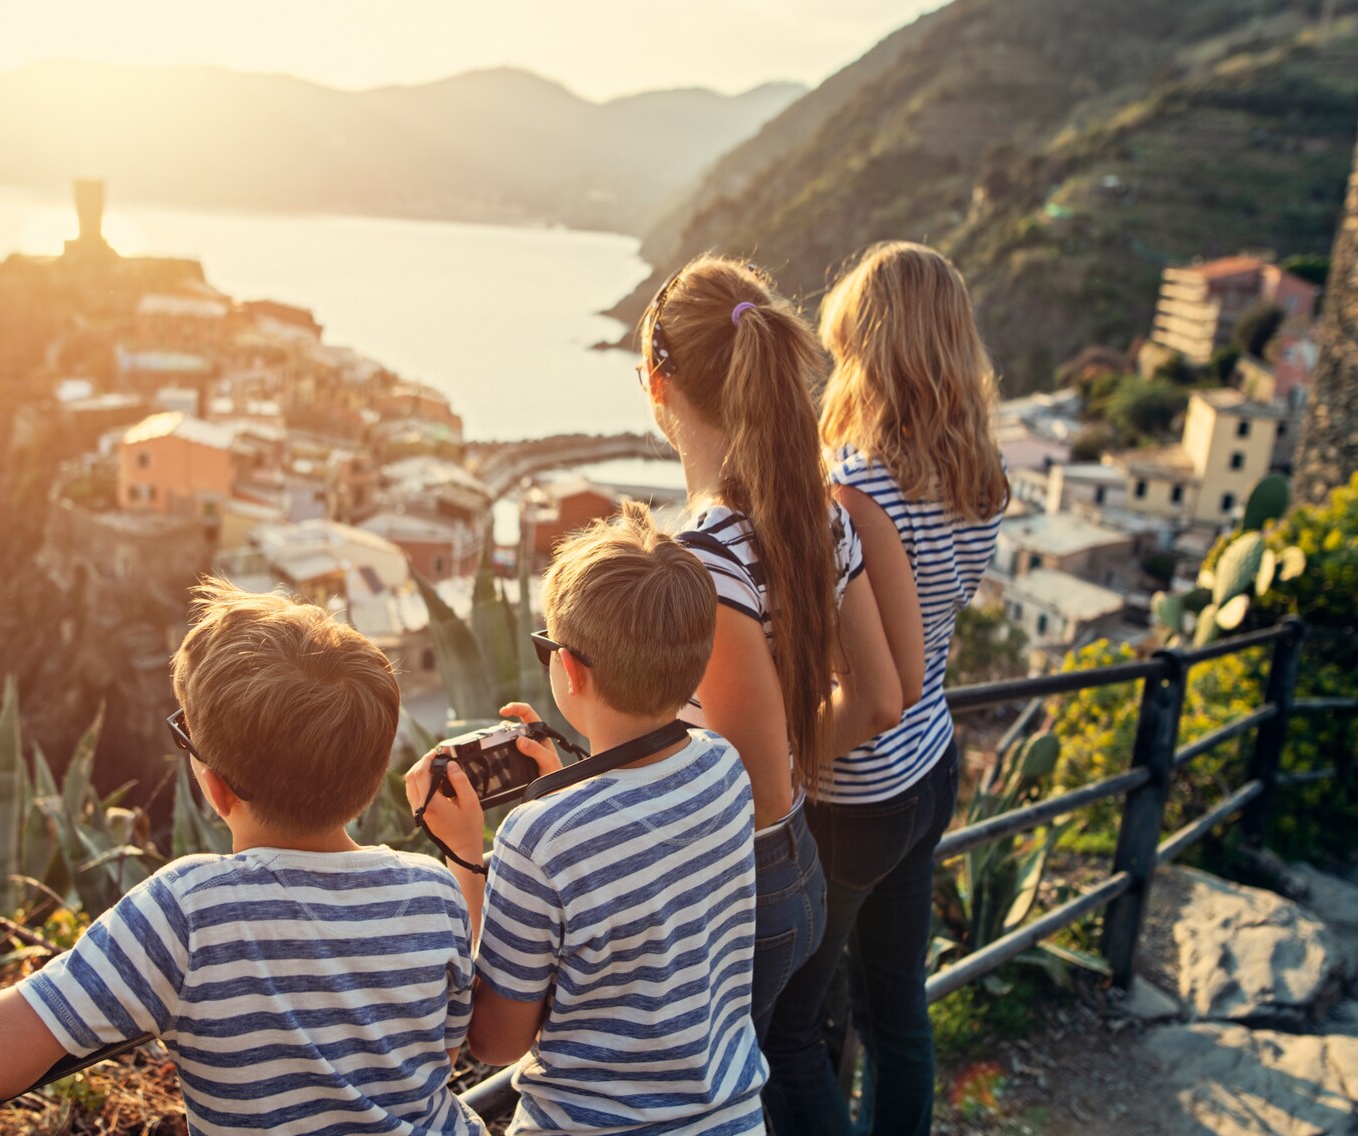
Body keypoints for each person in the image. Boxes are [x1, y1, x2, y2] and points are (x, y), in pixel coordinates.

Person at [0, 578, 483, 1136]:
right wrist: (463, 854)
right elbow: (447, 1051)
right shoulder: (431, 890)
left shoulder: (189, 912)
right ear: (371, 775)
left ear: (216, 787)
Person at [406, 504, 768, 1135]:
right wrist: (559, 790)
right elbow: (638, 845)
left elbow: (494, 1040)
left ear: (568, 668)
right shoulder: (724, 766)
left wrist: (466, 856)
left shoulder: (541, 839)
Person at [764, 241, 1009, 1136]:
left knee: (787, 1034)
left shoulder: (859, 487)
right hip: (932, 767)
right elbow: (920, 667)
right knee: (896, 1007)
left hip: (857, 791)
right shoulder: (978, 474)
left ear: (871, 344)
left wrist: (777, 771)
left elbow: (879, 692)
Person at [634, 255, 904, 1037]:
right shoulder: (824, 519)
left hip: (719, 890)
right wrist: (789, 756)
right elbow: (881, 698)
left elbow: (752, 783)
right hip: (794, 867)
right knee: (770, 1072)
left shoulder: (700, 560)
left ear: (660, 381)